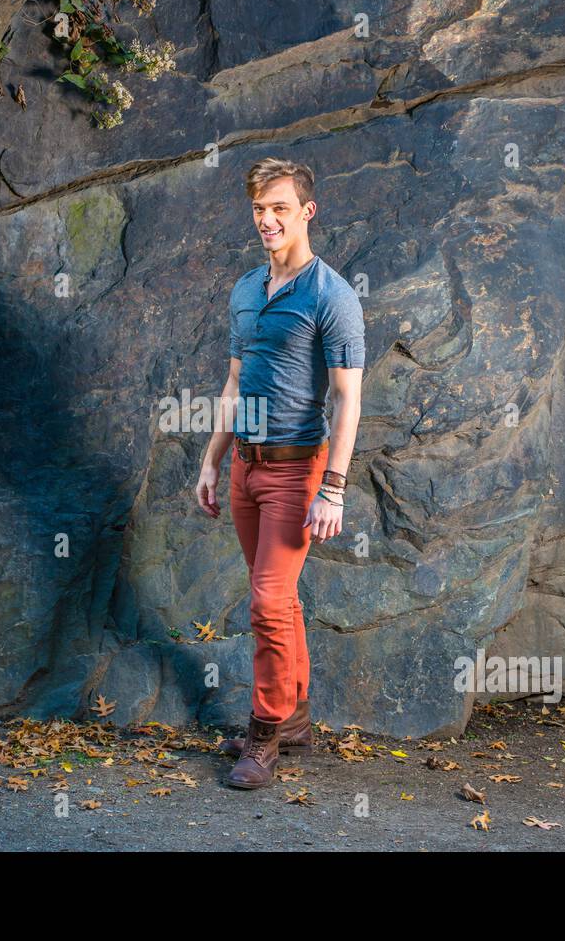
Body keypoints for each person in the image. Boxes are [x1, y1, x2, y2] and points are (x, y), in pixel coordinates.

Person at [195, 156, 365, 789]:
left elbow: (348, 399)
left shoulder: (332, 296)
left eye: (280, 209)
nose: (267, 221)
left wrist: (334, 488)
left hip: (298, 471)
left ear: (306, 212)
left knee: (267, 601)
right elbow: (235, 383)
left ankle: (265, 732)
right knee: (280, 600)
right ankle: (293, 717)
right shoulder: (245, 290)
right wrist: (211, 462)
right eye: (260, 210)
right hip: (245, 467)